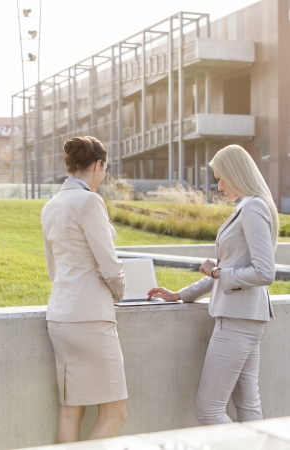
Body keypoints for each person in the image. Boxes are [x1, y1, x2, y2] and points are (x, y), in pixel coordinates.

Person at [148, 144, 279, 425]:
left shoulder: (253, 207)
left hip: (237, 319)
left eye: (220, 178)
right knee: (247, 405)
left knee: (209, 410)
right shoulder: (248, 206)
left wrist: (218, 272)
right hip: (246, 317)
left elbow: (264, 272)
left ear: (235, 173)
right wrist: (180, 295)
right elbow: (227, 268)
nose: (219, 187)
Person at [41, 136, 128, 443]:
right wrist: (120, 293)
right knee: (115, 413)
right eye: (104, 169)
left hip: (60, 316)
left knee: (70, 409)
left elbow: (54, 270)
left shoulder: (51, 206)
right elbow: (110, 264)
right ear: (97, 165)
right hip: (90, 317)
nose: (103, 176)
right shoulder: (89, 201)